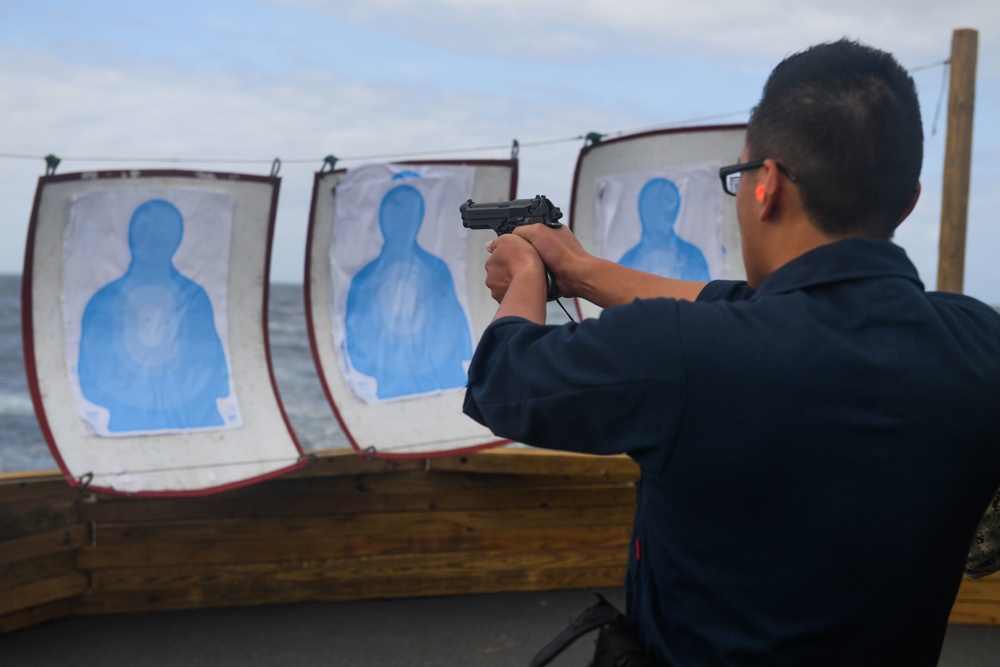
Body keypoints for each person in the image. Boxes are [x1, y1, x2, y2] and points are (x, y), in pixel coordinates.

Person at [463, 39, 1000, 666]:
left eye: (739, 178)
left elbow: (503, 377)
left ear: (766, 187)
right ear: (907, 202)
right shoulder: (978, 342)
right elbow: (754, 306)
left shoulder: (679, 354)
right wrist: (579, 271)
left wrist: (524, 274)